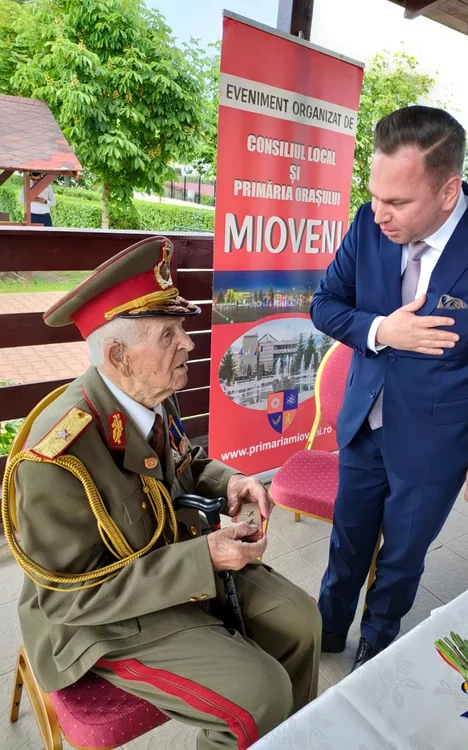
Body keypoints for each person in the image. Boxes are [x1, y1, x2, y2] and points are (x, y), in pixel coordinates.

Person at [3, 236, 321, 750]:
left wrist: (232, 481)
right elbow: (71, 597)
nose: (189, 343)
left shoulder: (146, 394)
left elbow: (185, 463)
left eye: (182, 329)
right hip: (99, 621)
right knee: (260, 694)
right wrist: (205, 558)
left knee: (303, 622)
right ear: (118, 354)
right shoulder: (54, 458)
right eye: (169, 334)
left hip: (172, 562)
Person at [310, 106, 468, 673]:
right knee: (347, 541)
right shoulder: (368, 225)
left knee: (402, 555)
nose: (380, 214)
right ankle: (326, 628)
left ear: (448, 191)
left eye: (397, 203)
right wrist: (380, 330)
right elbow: (325, 304)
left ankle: (378, 638)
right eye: (375, 196)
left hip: (439, 442)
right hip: (364, 424)